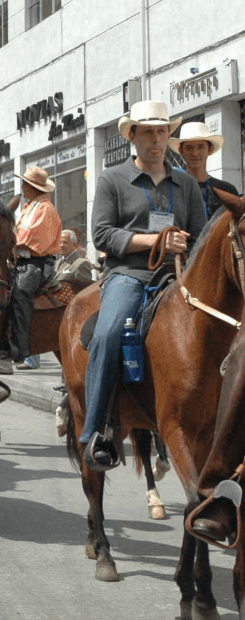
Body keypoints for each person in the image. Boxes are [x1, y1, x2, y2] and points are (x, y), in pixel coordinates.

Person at [81, 100, 206, 468]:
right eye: (148, 132)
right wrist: (155, 241)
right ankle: (95, 430)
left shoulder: (185, 184)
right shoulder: (112, 179)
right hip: (129, 273)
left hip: (178, 273)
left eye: (162, 131)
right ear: (132, 136)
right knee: (107, 335)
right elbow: (102, 235)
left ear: (170, 136)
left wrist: (185, 247)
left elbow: (199, 234)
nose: (155, 139)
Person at [0, 165, 62, 371]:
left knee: (20, 294)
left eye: (25, 183)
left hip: (37, 264)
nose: (23, 187)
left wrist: (8, 243)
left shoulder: (45, 208)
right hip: (23, 261)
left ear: (33, 187)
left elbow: (31, 240)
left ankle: (21, 350)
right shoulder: (31, 206)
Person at [170, 121, 239, 220]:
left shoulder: (227, 190)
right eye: (189, 148)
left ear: (210, 149)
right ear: (181, 151)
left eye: (200, 147)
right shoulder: (172, 189)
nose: (195, 153)